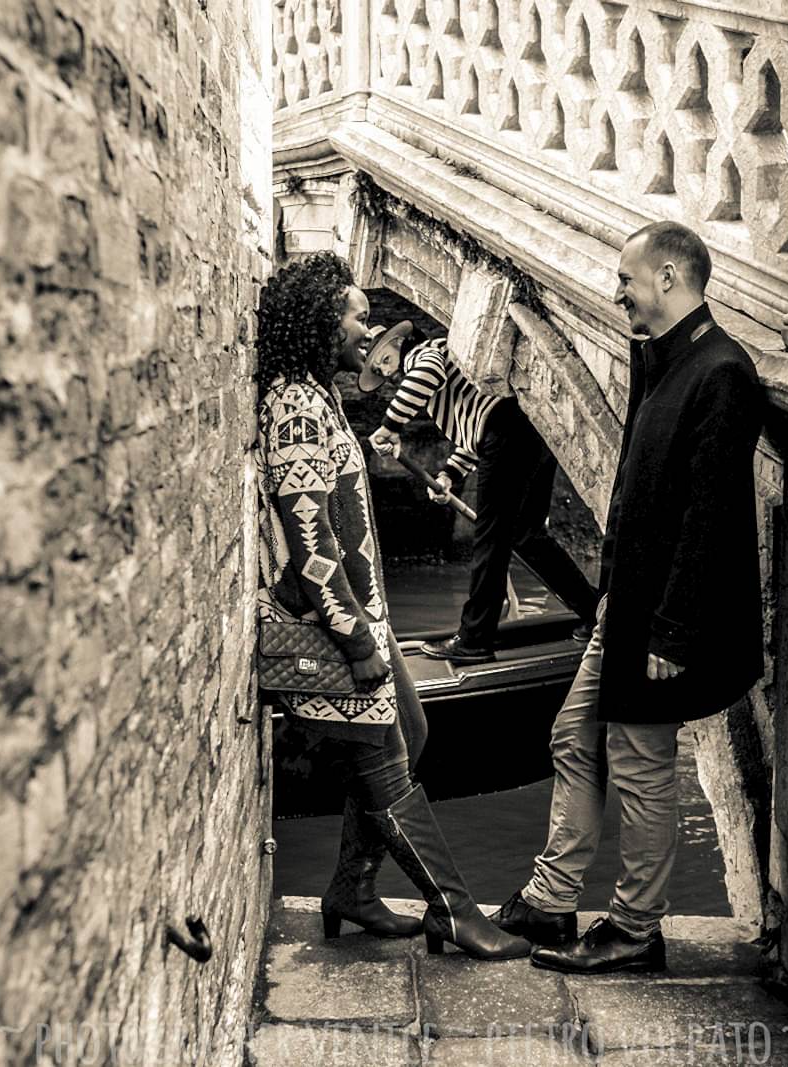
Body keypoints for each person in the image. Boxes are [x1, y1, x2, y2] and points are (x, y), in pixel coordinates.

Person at [489, 222, 766, 974]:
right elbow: (631, 493)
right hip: (626, 606)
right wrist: (611, 595)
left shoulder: (722, 373)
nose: (617, 291)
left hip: (665, 623)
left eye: (627, 278)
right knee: (572, 736)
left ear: (671, 277)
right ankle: (552, 897)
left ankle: (636, 929)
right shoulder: (660, 362)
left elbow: (708, 521)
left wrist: (673, 635)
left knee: (643, 769)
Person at [253, 252, 529, 960]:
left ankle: (349, 886)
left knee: (415, 730)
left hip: (369, 615)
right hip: (342, 625)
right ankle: (455, 910)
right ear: (319, 320)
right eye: (352, 312)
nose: (364, 322)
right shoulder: (293, 406)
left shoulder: (317, 396)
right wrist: (356, 641)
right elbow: (309, 542)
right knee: (384, 761)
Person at [361, 328, 598, 664]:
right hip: (523, 430)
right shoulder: (448, 376)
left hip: (506, 432)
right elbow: (473, 434)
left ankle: (474, 639)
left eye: (384, 362)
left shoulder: (428, 353)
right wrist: (448, 474)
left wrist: (390, 425)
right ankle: (597, 612)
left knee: (490, 538)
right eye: (380, 371)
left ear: (400, 344)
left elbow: (428, 375)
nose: (387, 373)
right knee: (525, 534)